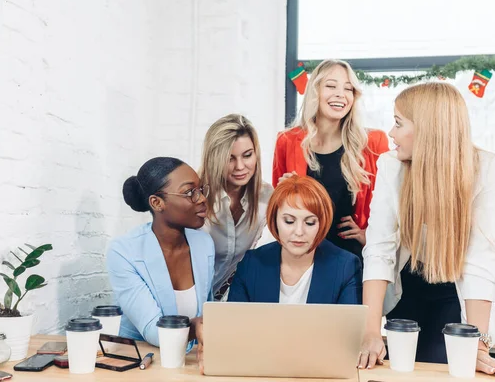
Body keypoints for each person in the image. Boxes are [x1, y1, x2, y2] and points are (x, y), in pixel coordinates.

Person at [359, 83, 495, 382]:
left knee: (455, 371)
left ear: (428, 130)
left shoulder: (485, 168)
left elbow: (479, 261)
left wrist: (477, 346)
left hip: (453, 289)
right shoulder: (390, 165)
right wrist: (371, 331)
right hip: (407, 287)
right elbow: (380, 248)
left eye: (398, 123)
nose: (390, 133)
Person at [273, 59, 389, 259]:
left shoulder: (373, 142)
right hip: (303, 255)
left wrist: (368, 236)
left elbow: (390, 203)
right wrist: (285, 193)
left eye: (348, 88)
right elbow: (278, 211)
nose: (340, 94)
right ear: (315, 91)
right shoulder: (287, 141)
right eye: (331, 86)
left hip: (351, 256)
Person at [106, 157, 214, 347]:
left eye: (201, 190)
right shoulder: (124, 252)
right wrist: (197, 326)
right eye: (190, 192)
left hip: (190, 362)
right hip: (142, 362)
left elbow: (209, 311)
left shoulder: (203, 243)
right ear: (157, 203)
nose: (202, 198)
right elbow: (154, 330)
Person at [227, 175, 362, 305]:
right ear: (274, 220)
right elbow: (233, 323)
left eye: (309, 223)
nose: (299, 232)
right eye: (289, 221)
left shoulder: (345, 267)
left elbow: (348, 328)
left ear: (322, 223)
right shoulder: (252, 264)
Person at [199, 114, 273, 300]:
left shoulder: (265, 195)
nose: (240, 166)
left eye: (247, 155)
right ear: (214, 158)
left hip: (223, 301)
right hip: (185, 302)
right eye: (229, 158)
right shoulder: (196, 196)